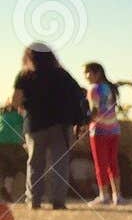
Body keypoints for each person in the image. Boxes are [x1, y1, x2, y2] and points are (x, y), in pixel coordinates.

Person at [10, 44, 87, 210]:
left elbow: (15, 101)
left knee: (35, 163)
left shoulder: (25, 76)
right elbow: (79, 94)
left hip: (35, 124)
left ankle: (34, 201)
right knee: (60, 164)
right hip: (61, 124)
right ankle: (58, 201)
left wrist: (25, 105)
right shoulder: (62, 75)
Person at [82, 62, 123, 206]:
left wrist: (84, 122)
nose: (86, 76)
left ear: (96, 73)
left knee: (101, 164)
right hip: (114, 128)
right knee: (113, 162)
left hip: (99, 130)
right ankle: (117, 195)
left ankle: (103, 195)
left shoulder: (93, 89)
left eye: (87, 73)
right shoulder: (109, 88)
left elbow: (94, 111)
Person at [0, 103, 24, 203]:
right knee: (18, 167)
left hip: (1, 144)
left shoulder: (2, 117)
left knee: (4, 168)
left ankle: (5, 190)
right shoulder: (19, 117)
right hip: (14, 146)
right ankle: (7, 190)